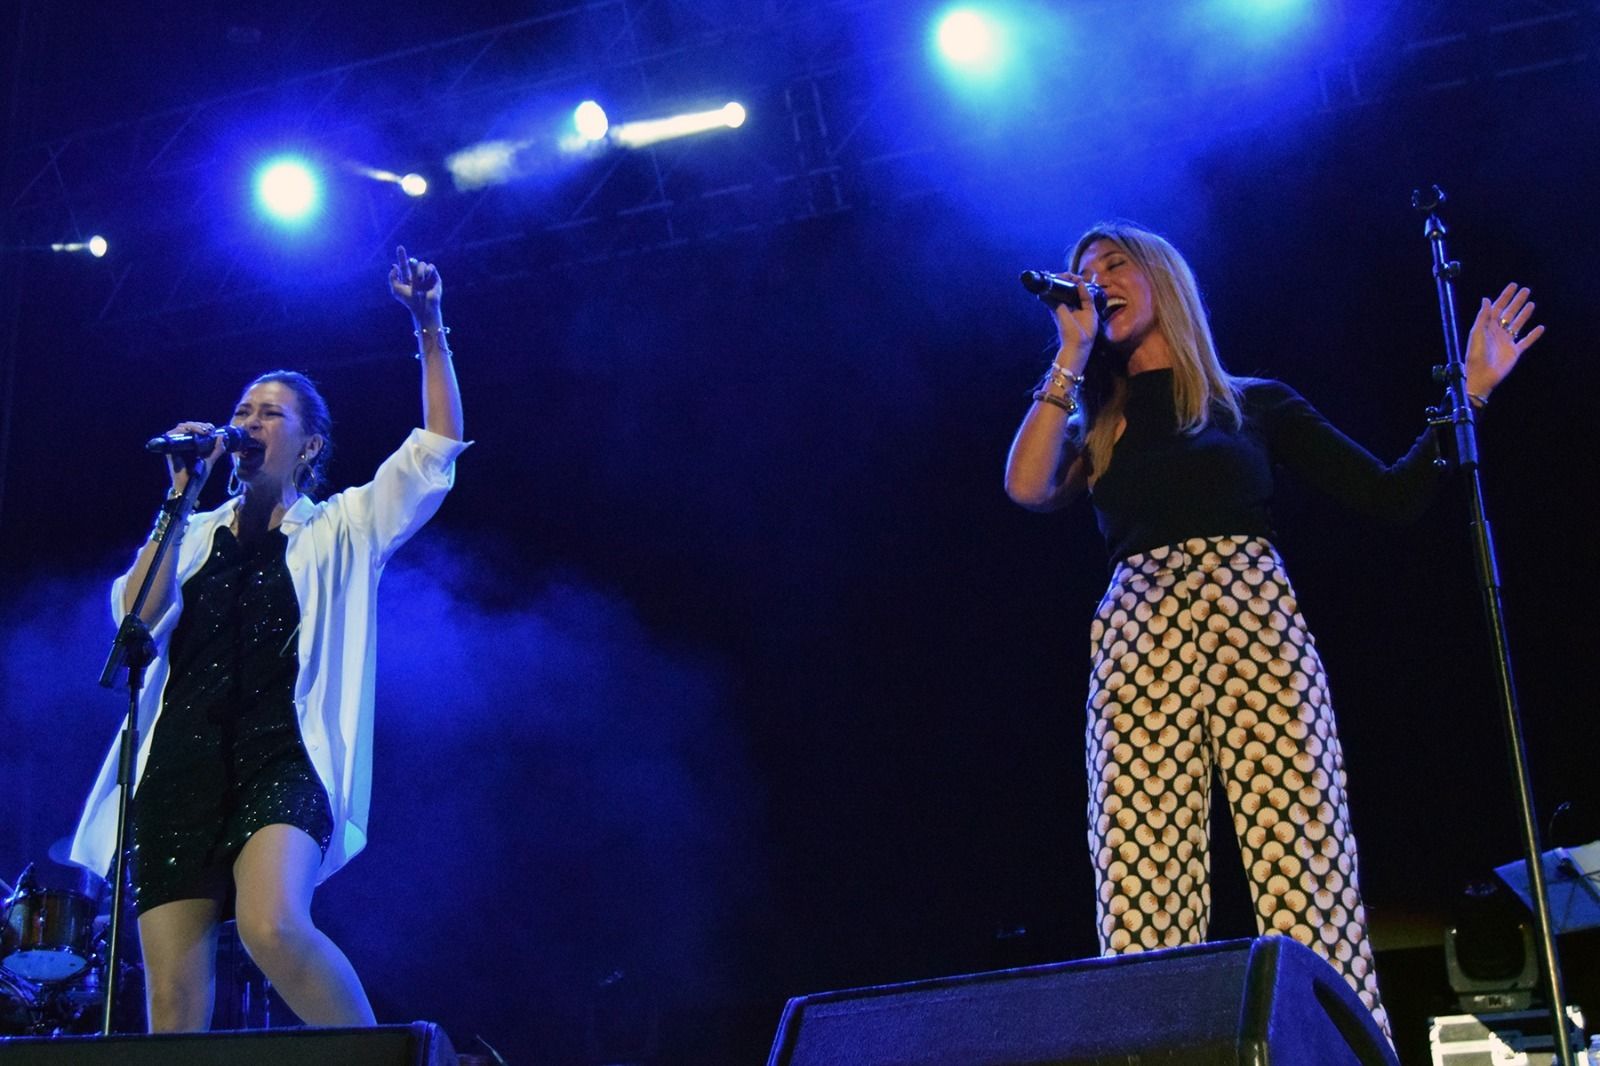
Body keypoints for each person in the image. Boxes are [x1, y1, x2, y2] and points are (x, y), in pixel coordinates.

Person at [1003, 220, 1543, 1037]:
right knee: (1141, 886)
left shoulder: (1254, 404)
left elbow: (1392, 494)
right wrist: (1069, 354)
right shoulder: (1101, 425)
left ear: (1164, 279)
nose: (1096, 279)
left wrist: (1466, 393)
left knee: (1307, 869)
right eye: (1083, 272)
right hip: (1138, 634)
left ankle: (1335, 1050)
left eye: (1114, 264)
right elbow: (1025, 484)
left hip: (1254, 623)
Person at [69, 247, 468, 1031]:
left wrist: (428, 326)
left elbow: (436, 447)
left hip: (284, 757)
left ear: (310, 445)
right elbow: (135, 621)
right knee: (173, 1002)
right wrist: (177, 498)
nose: (246, 424)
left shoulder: (345, 526)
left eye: (268, 413)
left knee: (273, 926)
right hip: (178, 767)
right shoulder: (191, 530)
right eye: (241, 412)